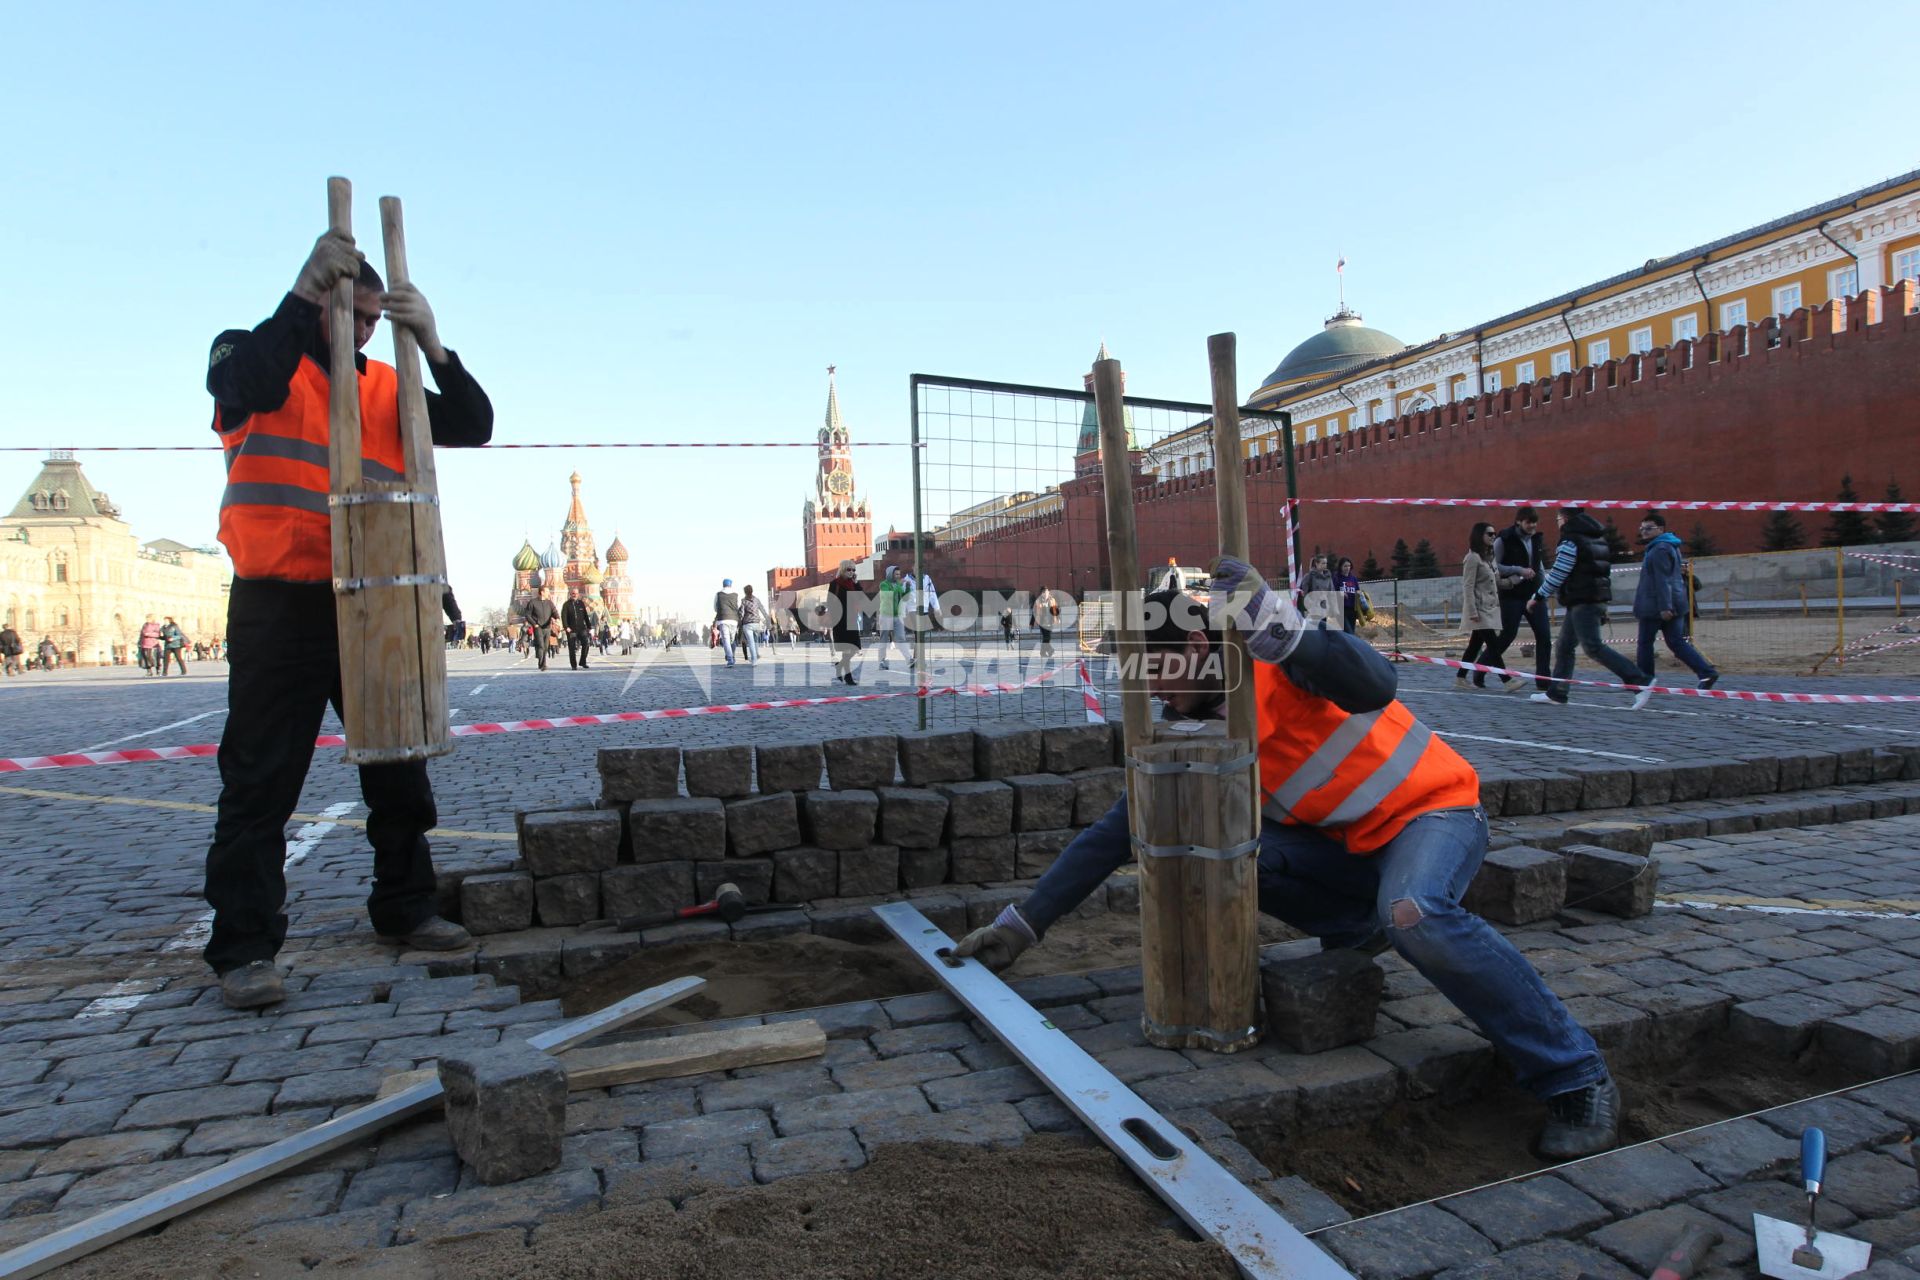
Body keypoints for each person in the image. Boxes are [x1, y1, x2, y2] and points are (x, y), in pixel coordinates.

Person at [954, 568, 1621, 1160]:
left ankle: (1575, 1077)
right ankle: (1355, 926)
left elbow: (1374, 682)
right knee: (1216, 848)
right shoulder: (1192, 729)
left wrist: (1292, 635)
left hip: (1434, 813)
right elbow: (1121, 831)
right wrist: (1022, 924)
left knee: (1418, 913)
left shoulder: (1273, 664)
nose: (1144, 687)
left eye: (1147, 668)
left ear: (1191, 650)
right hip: (1350, 852)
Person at [201, 223, 490, 1008]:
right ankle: (244, 947)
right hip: (279, 601)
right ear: (319, 300)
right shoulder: (251, 355)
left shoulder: (387, 386)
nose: (360, 331)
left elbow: (474, 422)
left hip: (373, 598)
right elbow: (248, 384)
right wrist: (299, 295)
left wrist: (429, 341)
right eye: (349, 314)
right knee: (260, 781)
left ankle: (405, 905)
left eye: (371, 319)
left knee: (399, 769)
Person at [1530, 509, 1654, 709]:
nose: (1557, 523)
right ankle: (1557, 692)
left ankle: (1640, 681)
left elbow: (1559, 572)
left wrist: (1538, 595)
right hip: (1590, 597)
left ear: (1565, 519)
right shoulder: (1596, 538)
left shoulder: (1571, 540)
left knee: (1593, 647)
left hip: (1583, 599)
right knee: (1564, 646)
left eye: (1557, 519)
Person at [1634, 512, 1718, 689]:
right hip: (1676, 602)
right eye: (1642, 528)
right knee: (1676, 642)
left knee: (1645, 644)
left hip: (1657, 605)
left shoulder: (1659, 549)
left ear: (1661, 529)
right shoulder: (1671, 546)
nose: (1644, 532)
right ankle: (1706, 672)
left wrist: (1665, 607)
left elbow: (1662, 580)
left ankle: (1645, 680)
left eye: (1649, 528)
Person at [1485, 507, 1550, 693]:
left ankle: (1543, 681)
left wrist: (1545, 589)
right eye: (1529, 522)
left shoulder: (1537, 539)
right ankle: (1481, 668)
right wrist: (1519, 570)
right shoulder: (1503, 539)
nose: (1533, 526)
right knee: (1507, 636)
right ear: (1519, 522)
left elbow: (1540, 567)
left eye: (1535, 522)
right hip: (1511, 596)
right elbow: (1495, 565)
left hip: (1534, 595)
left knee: (1544, 636)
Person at [1457, 523, 1501, 689]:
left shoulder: (1488, 558)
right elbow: (1467, 586)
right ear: (1479, 535)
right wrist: (1472, 611)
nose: (1493, 536)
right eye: (1489, 534)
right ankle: (1508, 680)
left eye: (1494, 533)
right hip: (1479, 610)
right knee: (1494, 645)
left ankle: (1460, 677)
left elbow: (1495, 581)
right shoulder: (1473, 558)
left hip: (1489, 608)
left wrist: (1515, 580)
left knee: (1474, 646)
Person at [827, 559, 862, 685]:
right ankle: (848, 677)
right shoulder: (835, 584)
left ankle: (840, 666)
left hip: (852, 619)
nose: (852, 572)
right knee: (847, 649)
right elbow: (829, 602)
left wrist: (856, 583)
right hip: (840, 620)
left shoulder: (853, 584)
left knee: (854, 648)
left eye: (853, 570)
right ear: (842, 569)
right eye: (849, 569)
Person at [876, 565, 909, 669]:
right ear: (890, 574)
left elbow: (904, 597)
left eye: (899, 574)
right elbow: (887, 595)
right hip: (886, 615)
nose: (898, 576)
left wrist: (907, 587)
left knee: (901, 638)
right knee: (884, 639)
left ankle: (909, 660)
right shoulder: (883, 584)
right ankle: (882, 661)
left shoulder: (897, 585)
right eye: (896, 574)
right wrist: (899, 585)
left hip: (897, 616)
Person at [523, 585, 557, 672]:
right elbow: (527, 615)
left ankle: (540, 660)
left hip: (547, 627)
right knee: (541, 645)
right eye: (547, 591)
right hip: (538, 627)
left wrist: (556, 618)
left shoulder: (549, 603)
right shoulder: (533, 602)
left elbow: (554, 611)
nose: (548, 593)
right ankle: (543, 665)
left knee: (545, 646)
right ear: (542, 592)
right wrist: (534, 624)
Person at [1302, 554, 1336, 630]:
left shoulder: (1328, 576)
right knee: (1314, 627)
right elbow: (1304, 591)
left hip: (1324, 606)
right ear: (1317, 564)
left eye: (1326, 563)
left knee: (1323, 627)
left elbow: (1332, 591)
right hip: (1314, 607)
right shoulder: (1310, 576)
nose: (1325, 565)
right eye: (1323, 563)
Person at [561, 586, 592, 670]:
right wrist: (566, 627)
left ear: (578, 594)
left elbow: (585, 616)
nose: (574, 595)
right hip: (571, 629)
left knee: (586, 643)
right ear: (570, 594)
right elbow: (563, 617)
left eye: (576, 593)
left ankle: (583, 662)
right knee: (572, 648)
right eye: (573, 593)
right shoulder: (566, 604)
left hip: (581, 628)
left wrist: (589, 626)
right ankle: (573, 665)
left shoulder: (581, 603)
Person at [713, 578, 741, 667]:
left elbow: (715, 607)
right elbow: (739, 606)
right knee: (732, 640)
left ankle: (730, 658)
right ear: (730, 585)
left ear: (723, 585)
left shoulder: (718, 594)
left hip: (723, 619)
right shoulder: (736, 594)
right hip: (734, 620)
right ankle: (731, 657)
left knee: (726, 640)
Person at [738, 584, 766, 664]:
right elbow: (762, 609)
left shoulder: (743, 601)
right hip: (757, 623)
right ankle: (756, 654)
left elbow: (742, 613)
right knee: (756, 640)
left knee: (751, 642)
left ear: (745, 592)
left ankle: (754, 660)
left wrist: (740, 621)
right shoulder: (757, 600)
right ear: (752, 591)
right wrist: (767, 619)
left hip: (747, 624)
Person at [1335, 557, 1362, 635]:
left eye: (1349, 566)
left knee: (1351, 631)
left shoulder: (1353, 578)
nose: (1347, 568)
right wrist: (1340, 594)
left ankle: (1348, 646)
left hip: (1352, 609)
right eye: (1345, 566)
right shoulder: (1336, 578)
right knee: (1347, 631)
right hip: (1341, 609)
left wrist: (1360, 594)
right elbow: (1332, 592)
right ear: (1340, 567)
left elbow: (1357, 589)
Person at [1033, 586, 1059, 658]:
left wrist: (1057, 618)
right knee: (1046, 638)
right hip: (1042, 622)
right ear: (1042, 593)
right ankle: (1049, 651)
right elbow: (1035, 611)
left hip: (1050, 621)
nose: (1046, 593)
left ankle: (1045, 652)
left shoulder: (1052, 600)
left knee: (1047, 638)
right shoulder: (1038, 601)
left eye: (1047, 592)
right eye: (1044, 592)